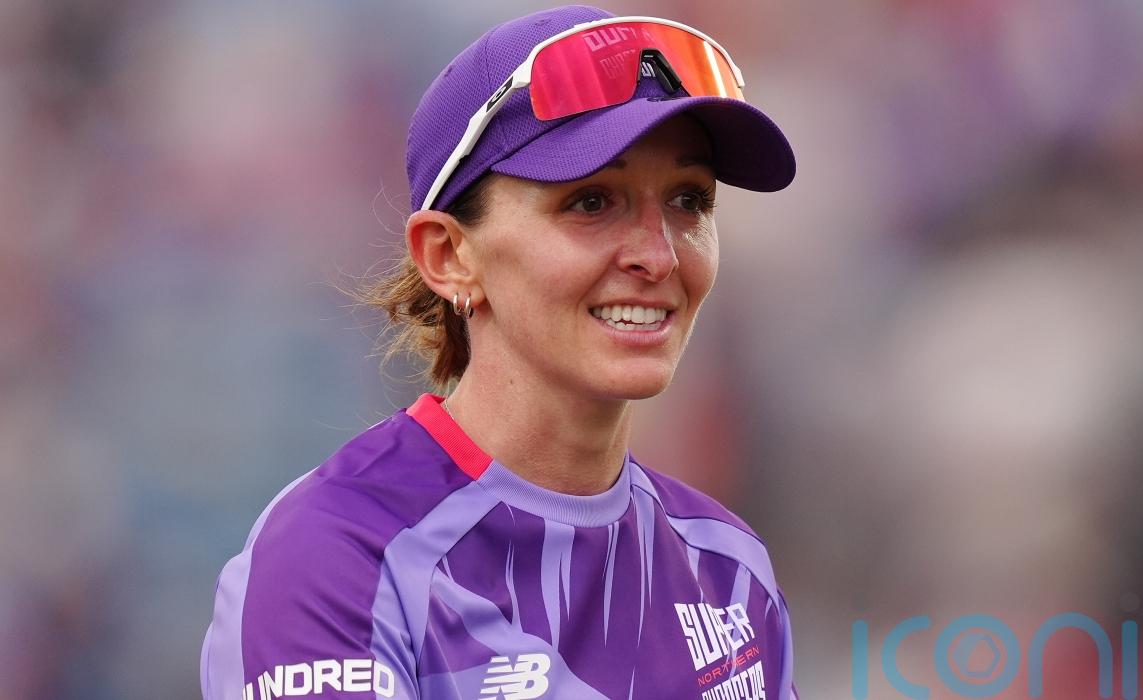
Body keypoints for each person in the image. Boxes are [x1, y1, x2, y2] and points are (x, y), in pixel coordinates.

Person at [201, 5, 797, 699]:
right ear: (448, 255)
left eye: (689, 200)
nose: (658, 255)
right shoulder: (339, 555)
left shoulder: (728, 570)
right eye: (591, 202)